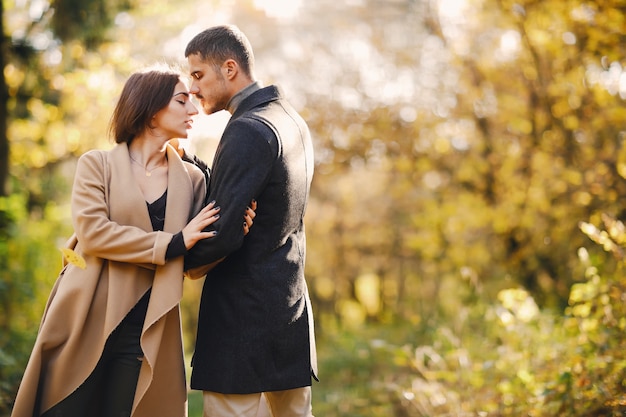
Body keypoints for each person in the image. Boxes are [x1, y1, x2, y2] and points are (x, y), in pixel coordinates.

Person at [10, 66, 255, 417]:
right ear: (151, 108)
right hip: (86, 316)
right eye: (182, 100)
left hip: (146, 330)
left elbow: (192, 263)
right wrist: (172, 243)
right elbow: (94, 233)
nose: (194, 109)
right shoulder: (97, 165)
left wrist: (233, 234)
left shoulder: (194, 180)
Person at [182, 25, 318, 417]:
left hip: (241, 320)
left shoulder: (246, 129)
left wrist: (177, 262)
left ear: (229, 68)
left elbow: (223, 230)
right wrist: (192, 163)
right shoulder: (290, 121)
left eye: (197, 75)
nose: (193, 89)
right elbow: (251, 197)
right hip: (288, 311)